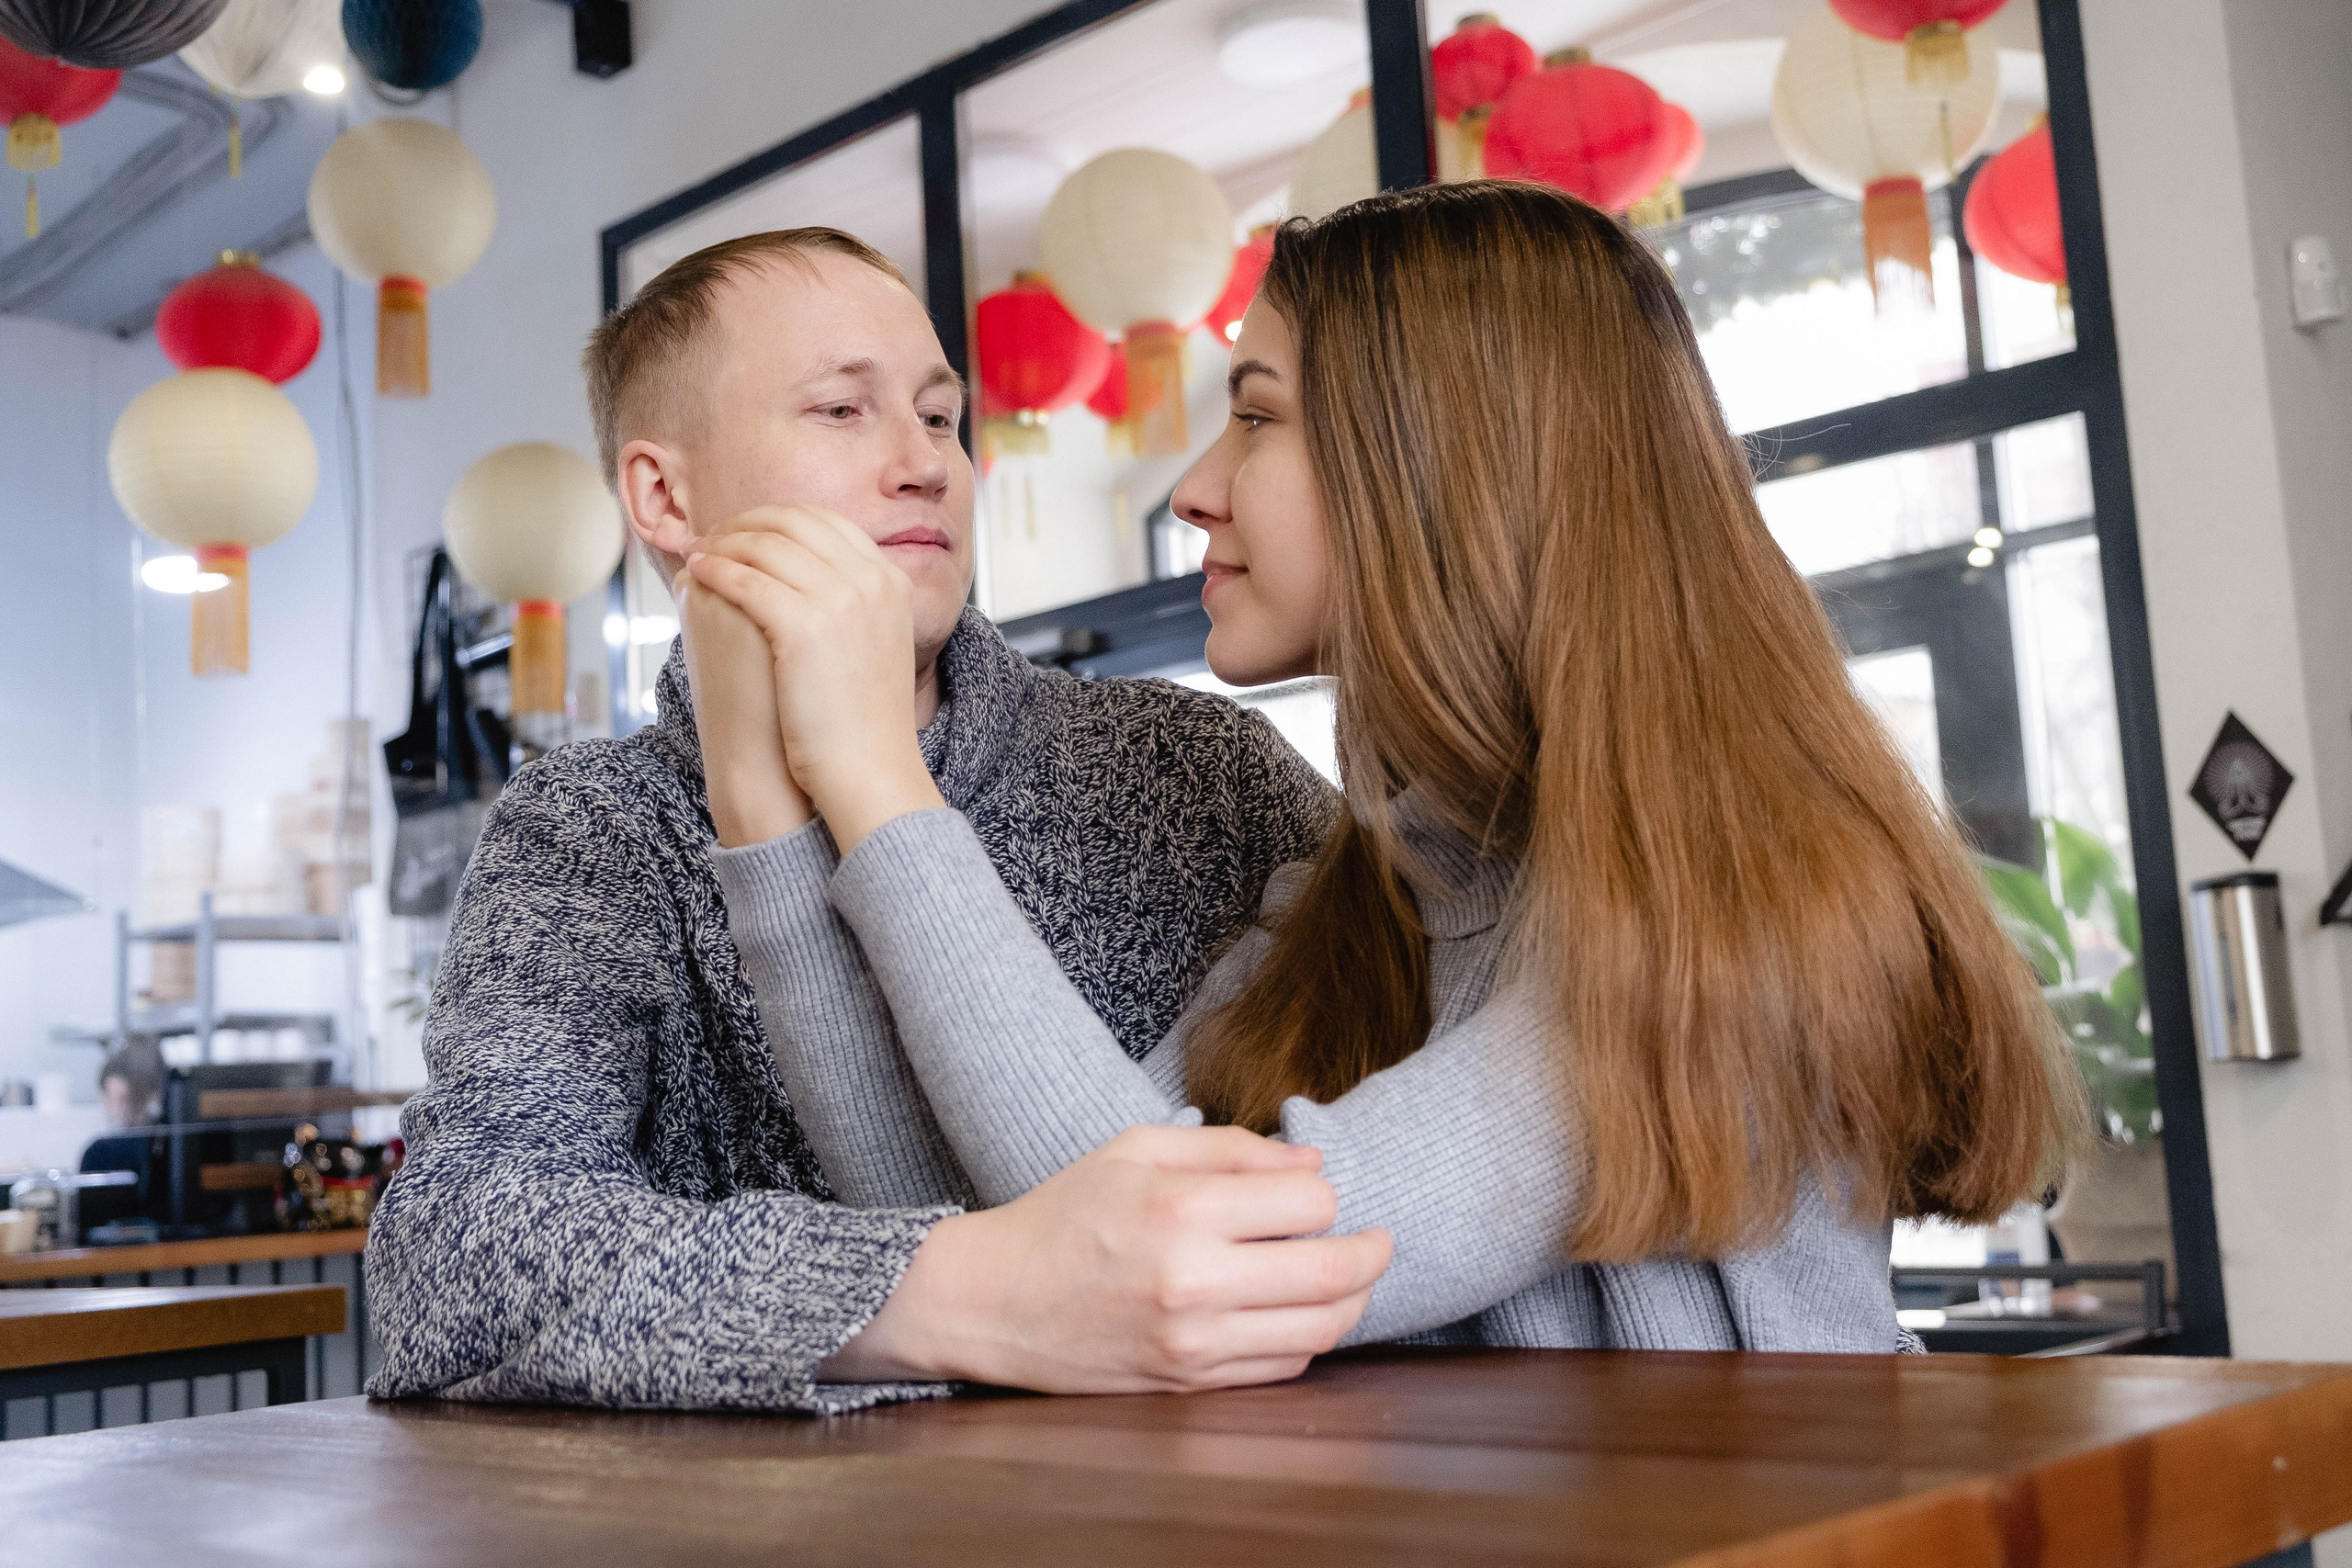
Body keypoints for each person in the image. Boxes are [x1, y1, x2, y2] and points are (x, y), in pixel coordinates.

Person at [687, 182, 2088, 1352]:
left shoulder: (1730, 926)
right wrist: (761, 798)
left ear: (1439, 464)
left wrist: (879, 776)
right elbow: (1022, 1267)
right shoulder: (1359, 904)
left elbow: (1192, 1261)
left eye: (1256, 414)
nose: (1193, 485)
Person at [364, 226, 1394, 1415]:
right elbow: (452, 1253)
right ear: (664, 495)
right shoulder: (594, 827)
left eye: (941, 417)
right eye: (842, 413)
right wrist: (973, 1291)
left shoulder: (1197, 764)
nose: (926, 466)